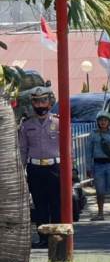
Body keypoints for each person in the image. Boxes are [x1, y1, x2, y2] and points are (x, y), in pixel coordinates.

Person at [18, 86, 61, 248]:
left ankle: (57, 238)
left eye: (43, 100)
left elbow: (67, 148)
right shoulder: (26, 125)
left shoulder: (58, 122)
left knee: (56, 203)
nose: (40, 104)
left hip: (55, 168)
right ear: (32, 104)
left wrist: (71, 168)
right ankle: (43, 238)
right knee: (39, 203)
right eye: (36, 101)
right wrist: (22, 170)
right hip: (35, 169)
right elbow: (23, 149)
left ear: (49, 102)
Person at [86, 111, 110, 221]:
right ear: (98, 122)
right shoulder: (93, 134)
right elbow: (89, 152)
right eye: (101, 120)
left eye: (105, 120)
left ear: (109, 122)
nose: (103, 122)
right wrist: (88, 168)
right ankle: (100, 214)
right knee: (99, 191)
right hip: (98, 165)